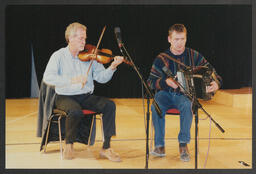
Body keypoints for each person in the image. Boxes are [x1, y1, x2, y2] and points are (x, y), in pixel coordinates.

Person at [43, 22, 124, 162]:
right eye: (81, 38)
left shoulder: (90, 56)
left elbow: (101, 78)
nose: (84, 41)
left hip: (85, 96)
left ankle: (106, 147)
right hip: (64, 96)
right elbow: (48, 77)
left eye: (85, 38)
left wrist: (112, 67)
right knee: (75, 111)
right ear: (70, 38)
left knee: (109, 105)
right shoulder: (58, 56)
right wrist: (72, 80)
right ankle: (69, 145)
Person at [147, 24, 222, 162]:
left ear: (186, 38)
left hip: (184, 95)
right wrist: (165, 82)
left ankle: (183, 145)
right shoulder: (161, 58)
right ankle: (159, 146)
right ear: (169, 39)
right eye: (176, 39)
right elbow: (150, 81)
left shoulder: (194, 55)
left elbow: (212, 71)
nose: (179, 43)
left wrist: (216, 83)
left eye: (182, 39)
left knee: (187, 105)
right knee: (155, 105)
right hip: (165, 94)